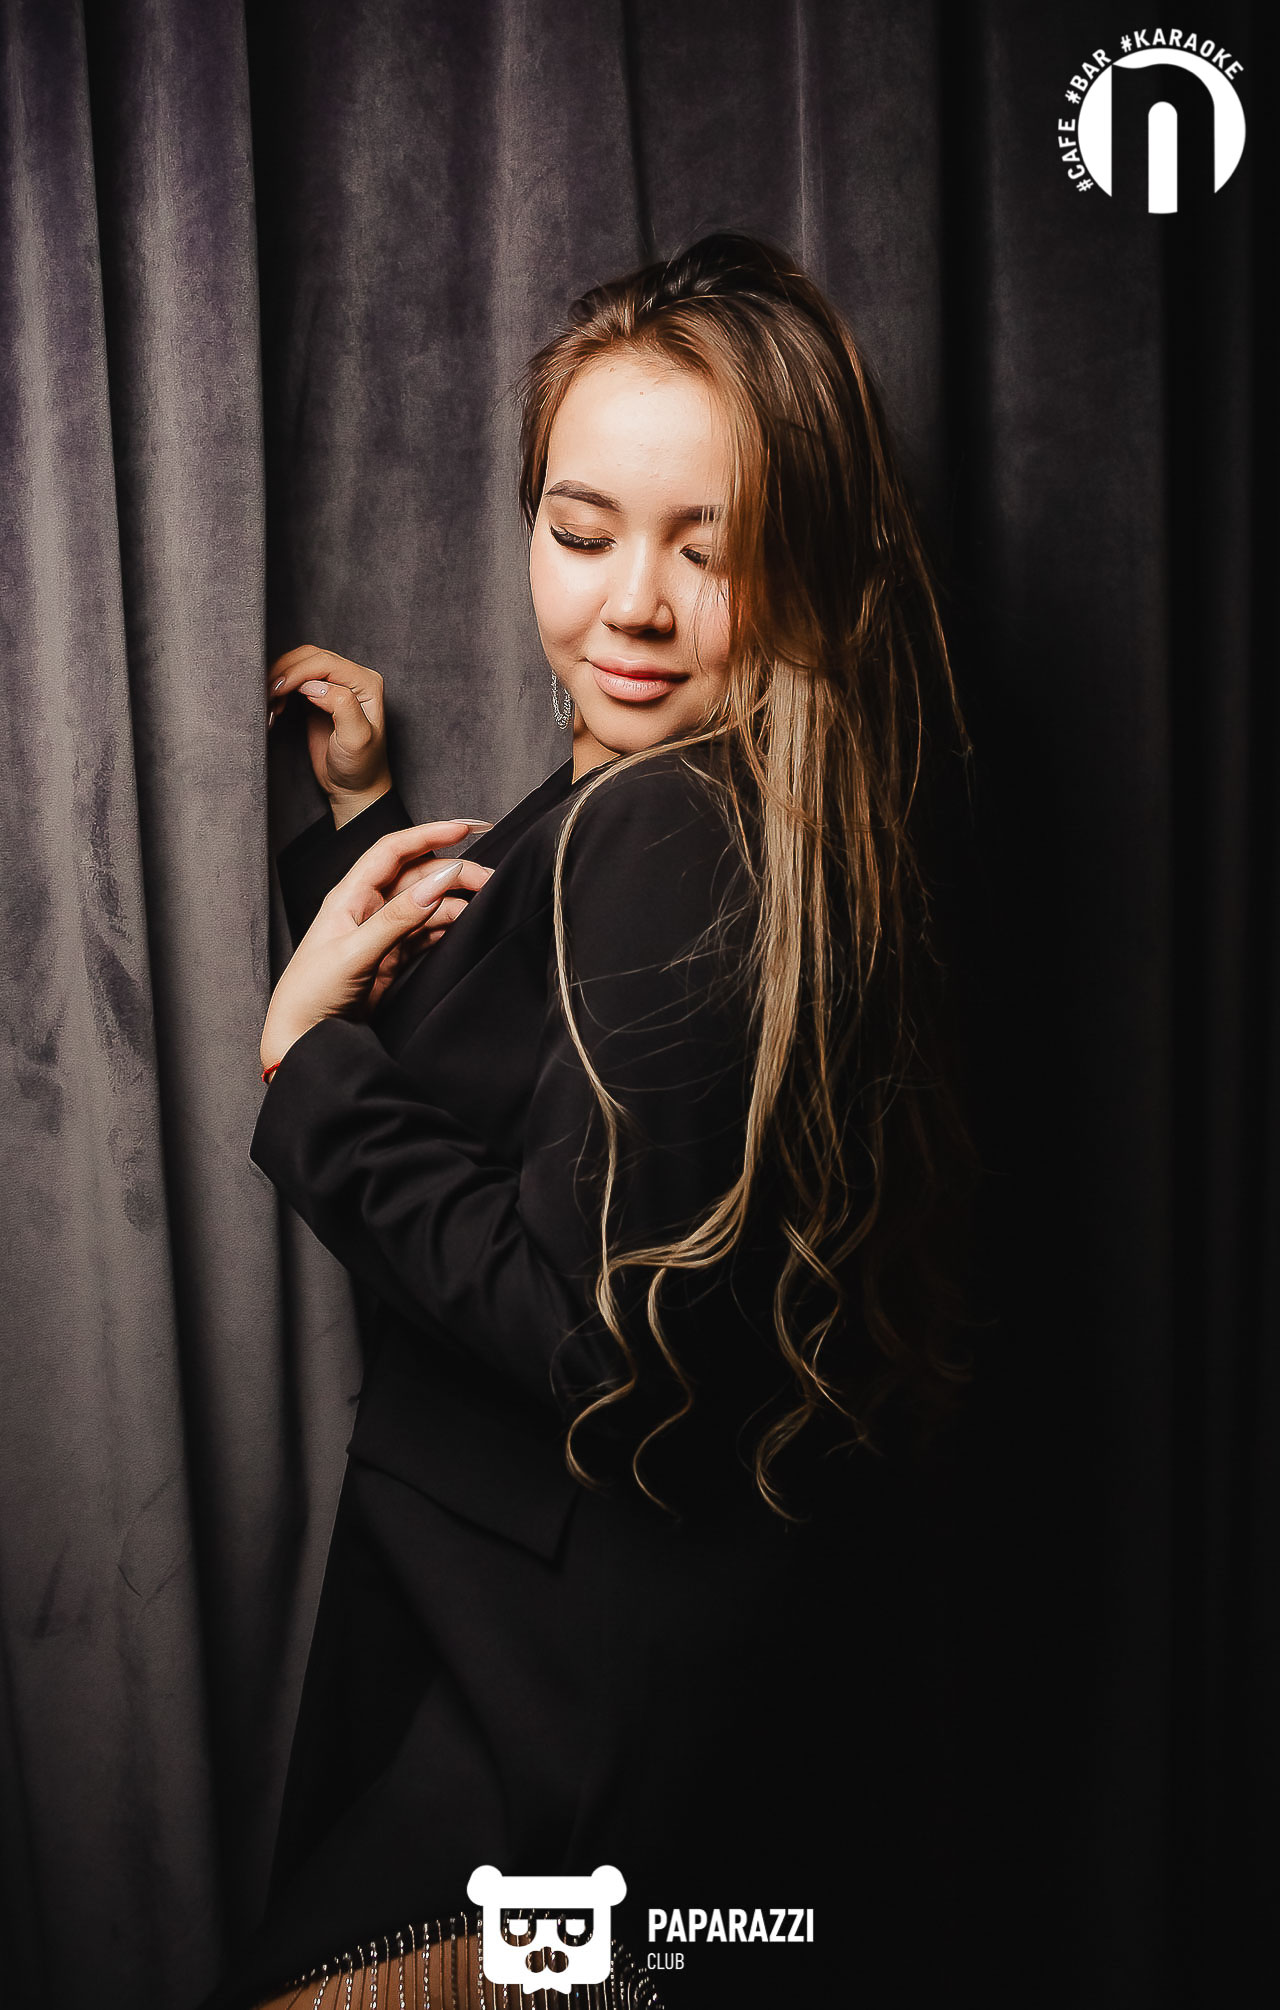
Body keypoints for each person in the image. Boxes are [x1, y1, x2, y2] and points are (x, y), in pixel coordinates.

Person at [202, 231, 977, 2010]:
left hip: (548, 1708)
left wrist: (303, 1065)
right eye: (582, 527)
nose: (632, 603)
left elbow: (591, 1324)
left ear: (808, 558)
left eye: (711, 547)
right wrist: (362, 822)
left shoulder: (674, 821)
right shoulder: (691, 793)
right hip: (549, 1660)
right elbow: (520, 1076)